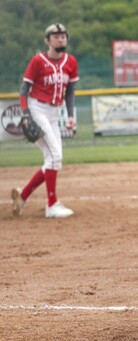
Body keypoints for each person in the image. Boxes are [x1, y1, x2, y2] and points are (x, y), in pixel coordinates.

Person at [11, 23, 78, 219]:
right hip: (37, 109)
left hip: (55, 113)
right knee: (55, 156)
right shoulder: (38, 61)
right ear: (47, 40)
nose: (60, 39)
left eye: (63, 36)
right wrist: (25, 114)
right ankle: (52, 205)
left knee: (54, 160)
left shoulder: (70, 62)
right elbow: (23, 91)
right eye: (56, 36)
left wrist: (71, 116)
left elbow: (70, 92)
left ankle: (22, 197)